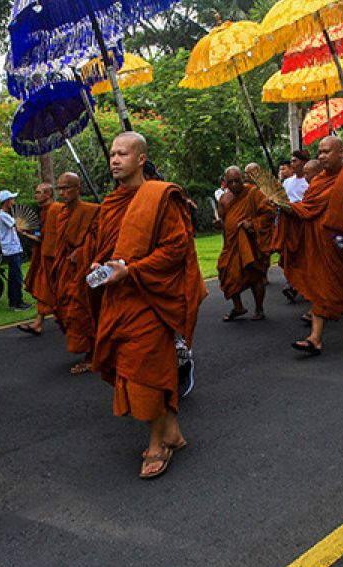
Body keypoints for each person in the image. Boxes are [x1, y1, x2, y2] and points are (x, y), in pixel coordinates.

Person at [87, 132, 206, 479]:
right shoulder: (110, 204)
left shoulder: (161, 196)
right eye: (111, 154)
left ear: (141, 159)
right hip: (118, 297)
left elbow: (175, 249)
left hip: (150, 298)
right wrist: (100, 264)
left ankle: (157, 443)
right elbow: (106, 246)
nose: (114, 160)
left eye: (122, 153)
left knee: (145, 371)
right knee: (128, 365)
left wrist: (132, 271)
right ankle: (172, 431)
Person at [282, 135, 343, 355]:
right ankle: (315, 339)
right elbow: (307, 208)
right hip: (321, 244)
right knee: (321, 286)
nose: (322, 156)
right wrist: (284, 206)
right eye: (320, 152)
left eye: (327, 152)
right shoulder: (318, 181)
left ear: (341, 152)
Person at [51, 172, 100, 374]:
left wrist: (81, 252)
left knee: (84, 310)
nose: (63, 192)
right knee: (65, 308)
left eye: (67, 187)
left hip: (85, 270)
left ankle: (92, 355)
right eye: (60, 188)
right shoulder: (61, 214)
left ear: (78, 189)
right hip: (67, 269)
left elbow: (101, 240)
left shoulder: (92, 211)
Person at [216, 165, 272, 322]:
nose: (235, 185)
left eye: (237, 181)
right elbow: (223, 219)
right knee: (225, 270)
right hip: (231, 244)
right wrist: (219, 223)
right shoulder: (224, 198)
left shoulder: (254, 193)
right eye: (231, 182)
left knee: (255, 275)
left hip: (250, 242)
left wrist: (251, 224)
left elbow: (269, 214)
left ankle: (259, 308)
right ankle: (238, 307)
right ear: (225, 182)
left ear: (243, 179)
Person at [18, 182, 58, 335]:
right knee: (45, 287)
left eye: (39, 192)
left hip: (54, 256)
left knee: (51, 288)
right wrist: (29, 233)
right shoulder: (43, 211)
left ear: (48, 194)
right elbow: (41, 234)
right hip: (43, 256)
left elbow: (47, 238)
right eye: (36, 192)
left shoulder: (55, 210)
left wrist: (26, 235)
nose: (36, 195)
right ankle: (38, 323)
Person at [0, 189, 32, 311]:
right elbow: (17, 226)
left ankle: (14, 301)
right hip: (12, 250)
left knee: (14, 276)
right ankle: (18, 302)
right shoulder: (3, 216)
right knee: (16, 277)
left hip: (13, 249)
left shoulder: (5, 215)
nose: (13, 201)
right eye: (11, 199)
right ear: (6, 201)